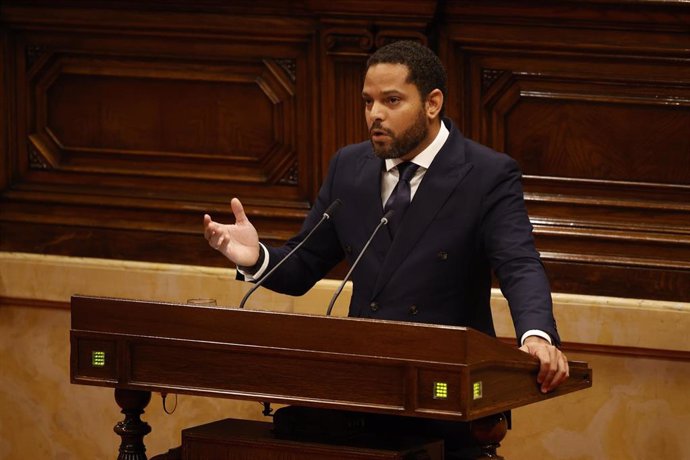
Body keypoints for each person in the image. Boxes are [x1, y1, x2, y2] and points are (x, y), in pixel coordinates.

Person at [204, 40, 568, 392]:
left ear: (432, 103)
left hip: (445, 380)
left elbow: (518, 264)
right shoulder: (349, 167)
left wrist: (536, 336)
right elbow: (305, 264)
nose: (375, 114)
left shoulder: (486, 173)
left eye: (391, 100)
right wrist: (256, 258)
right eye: (368, 102)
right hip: (364, 375)